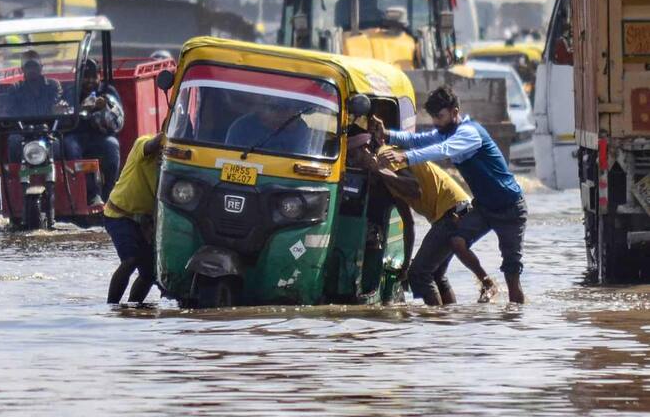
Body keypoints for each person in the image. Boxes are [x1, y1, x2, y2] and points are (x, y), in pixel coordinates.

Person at [372, 85, 527, 304]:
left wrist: (405, 158)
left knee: (512, 274)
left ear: (455, 112)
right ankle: (486, 282)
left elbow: (442, 150)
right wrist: (387, 134)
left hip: (510, 207)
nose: (436, 122)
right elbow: (420, 140)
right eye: (434, 117)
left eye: (440, 116)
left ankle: (516, 321)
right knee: (456, 241)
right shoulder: (448, 131)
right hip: (482, 206)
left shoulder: (469, 133)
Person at [348, 134, 499, 305]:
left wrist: (378, 170)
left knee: (419, 274)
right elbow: (408, 223)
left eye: (354, 156)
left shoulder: (385, 156)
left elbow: (415, 188)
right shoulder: (390, 181)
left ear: (366, 150)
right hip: (459, 209)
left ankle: (434, 323)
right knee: (436, 274)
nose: (353, 164)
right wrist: (405, 265)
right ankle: (448, 322)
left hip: (453, 211)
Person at [104, 132, 163, 304]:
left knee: (150, 273)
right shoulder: (142, 144)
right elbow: (152, 145)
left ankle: (133, 308)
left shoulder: (174, 164)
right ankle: (112, 306)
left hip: (144, 222)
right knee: (130, 260)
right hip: (119, 215)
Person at [63, 59, 124, 205]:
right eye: (85, 76)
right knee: (70, 146)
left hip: (100, 137)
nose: (89, 81)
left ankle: (109, 194)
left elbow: (118, 121)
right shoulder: (70, 92)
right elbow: (63, 116)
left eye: (93, 76)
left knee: (112, 145)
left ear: (99, 76)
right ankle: (87, 194)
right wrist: (80, 109)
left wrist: (104, 108)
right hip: (75, 136)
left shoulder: (108, 91)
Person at [5, 50, 67, 162]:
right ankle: (14, 176)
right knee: (14, 141)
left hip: (48, 130)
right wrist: (21, 125)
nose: (32, 70)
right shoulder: (15, 89)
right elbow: (10, 113)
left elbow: (58, 105)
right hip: (23, 131)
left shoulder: (53, 86)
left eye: (35, 66)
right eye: (28, 67)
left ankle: (58, 175)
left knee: (57, 144)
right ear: (22, 69)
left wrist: (59, 109)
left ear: (41, 67)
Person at [225, 97, 311, 154]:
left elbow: (299, 160)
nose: (280, 113)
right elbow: (229, 157)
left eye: (286, 108)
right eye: (274, 108)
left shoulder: (301, 129)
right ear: (260, 109)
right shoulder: (242, 127)